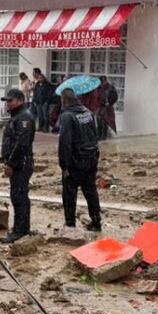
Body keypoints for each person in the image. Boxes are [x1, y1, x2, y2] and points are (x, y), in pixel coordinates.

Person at [58, 88, 102, 232]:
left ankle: (70, 224)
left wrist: (64, 166)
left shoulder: (67, 116)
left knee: (69, 193)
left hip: (75, 161)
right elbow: (95, 135)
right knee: (91, 191)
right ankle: (96, 221)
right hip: (91, 158)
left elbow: (65, 143)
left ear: (64, 100)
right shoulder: (88, 112)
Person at [0, 88, 36, 244]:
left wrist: (10, 163)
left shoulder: (24, 117)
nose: (8, 104)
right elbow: (13, 141)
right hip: (18, 162)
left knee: (18, 196)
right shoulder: (17, 116)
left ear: (20, 100)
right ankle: (23, 228)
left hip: (21, 163)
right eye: (6, 101)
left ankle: (19, 231)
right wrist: (4, 156)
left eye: (10, 100)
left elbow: (22, 144)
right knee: (20, 195)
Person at [98, 76, 118, 140]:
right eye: (101, 82)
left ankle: (104, 136)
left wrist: (109, 103)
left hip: (108, 108)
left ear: (105, 81)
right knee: (99, 122)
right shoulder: (98, 88)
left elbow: (115, 97)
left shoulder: (111, 88)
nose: (102, 84)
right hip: (100, 107)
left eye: (103, 82)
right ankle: (99, 136)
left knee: (106, 122)